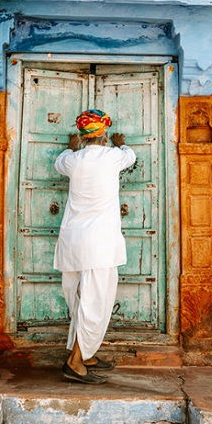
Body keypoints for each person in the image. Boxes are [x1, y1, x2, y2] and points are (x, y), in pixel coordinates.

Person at [53, 109, 136, 384]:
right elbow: (130, 155)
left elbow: (61, 160)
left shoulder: (72, 160)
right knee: (95, 304)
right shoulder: (114, 156)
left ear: (81, 135)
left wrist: (71, 147)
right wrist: (121, 142)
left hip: (74, 242)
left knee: (79, 301)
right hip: (99, 244)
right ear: (105, 133)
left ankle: (86, 355)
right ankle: (75, 362)